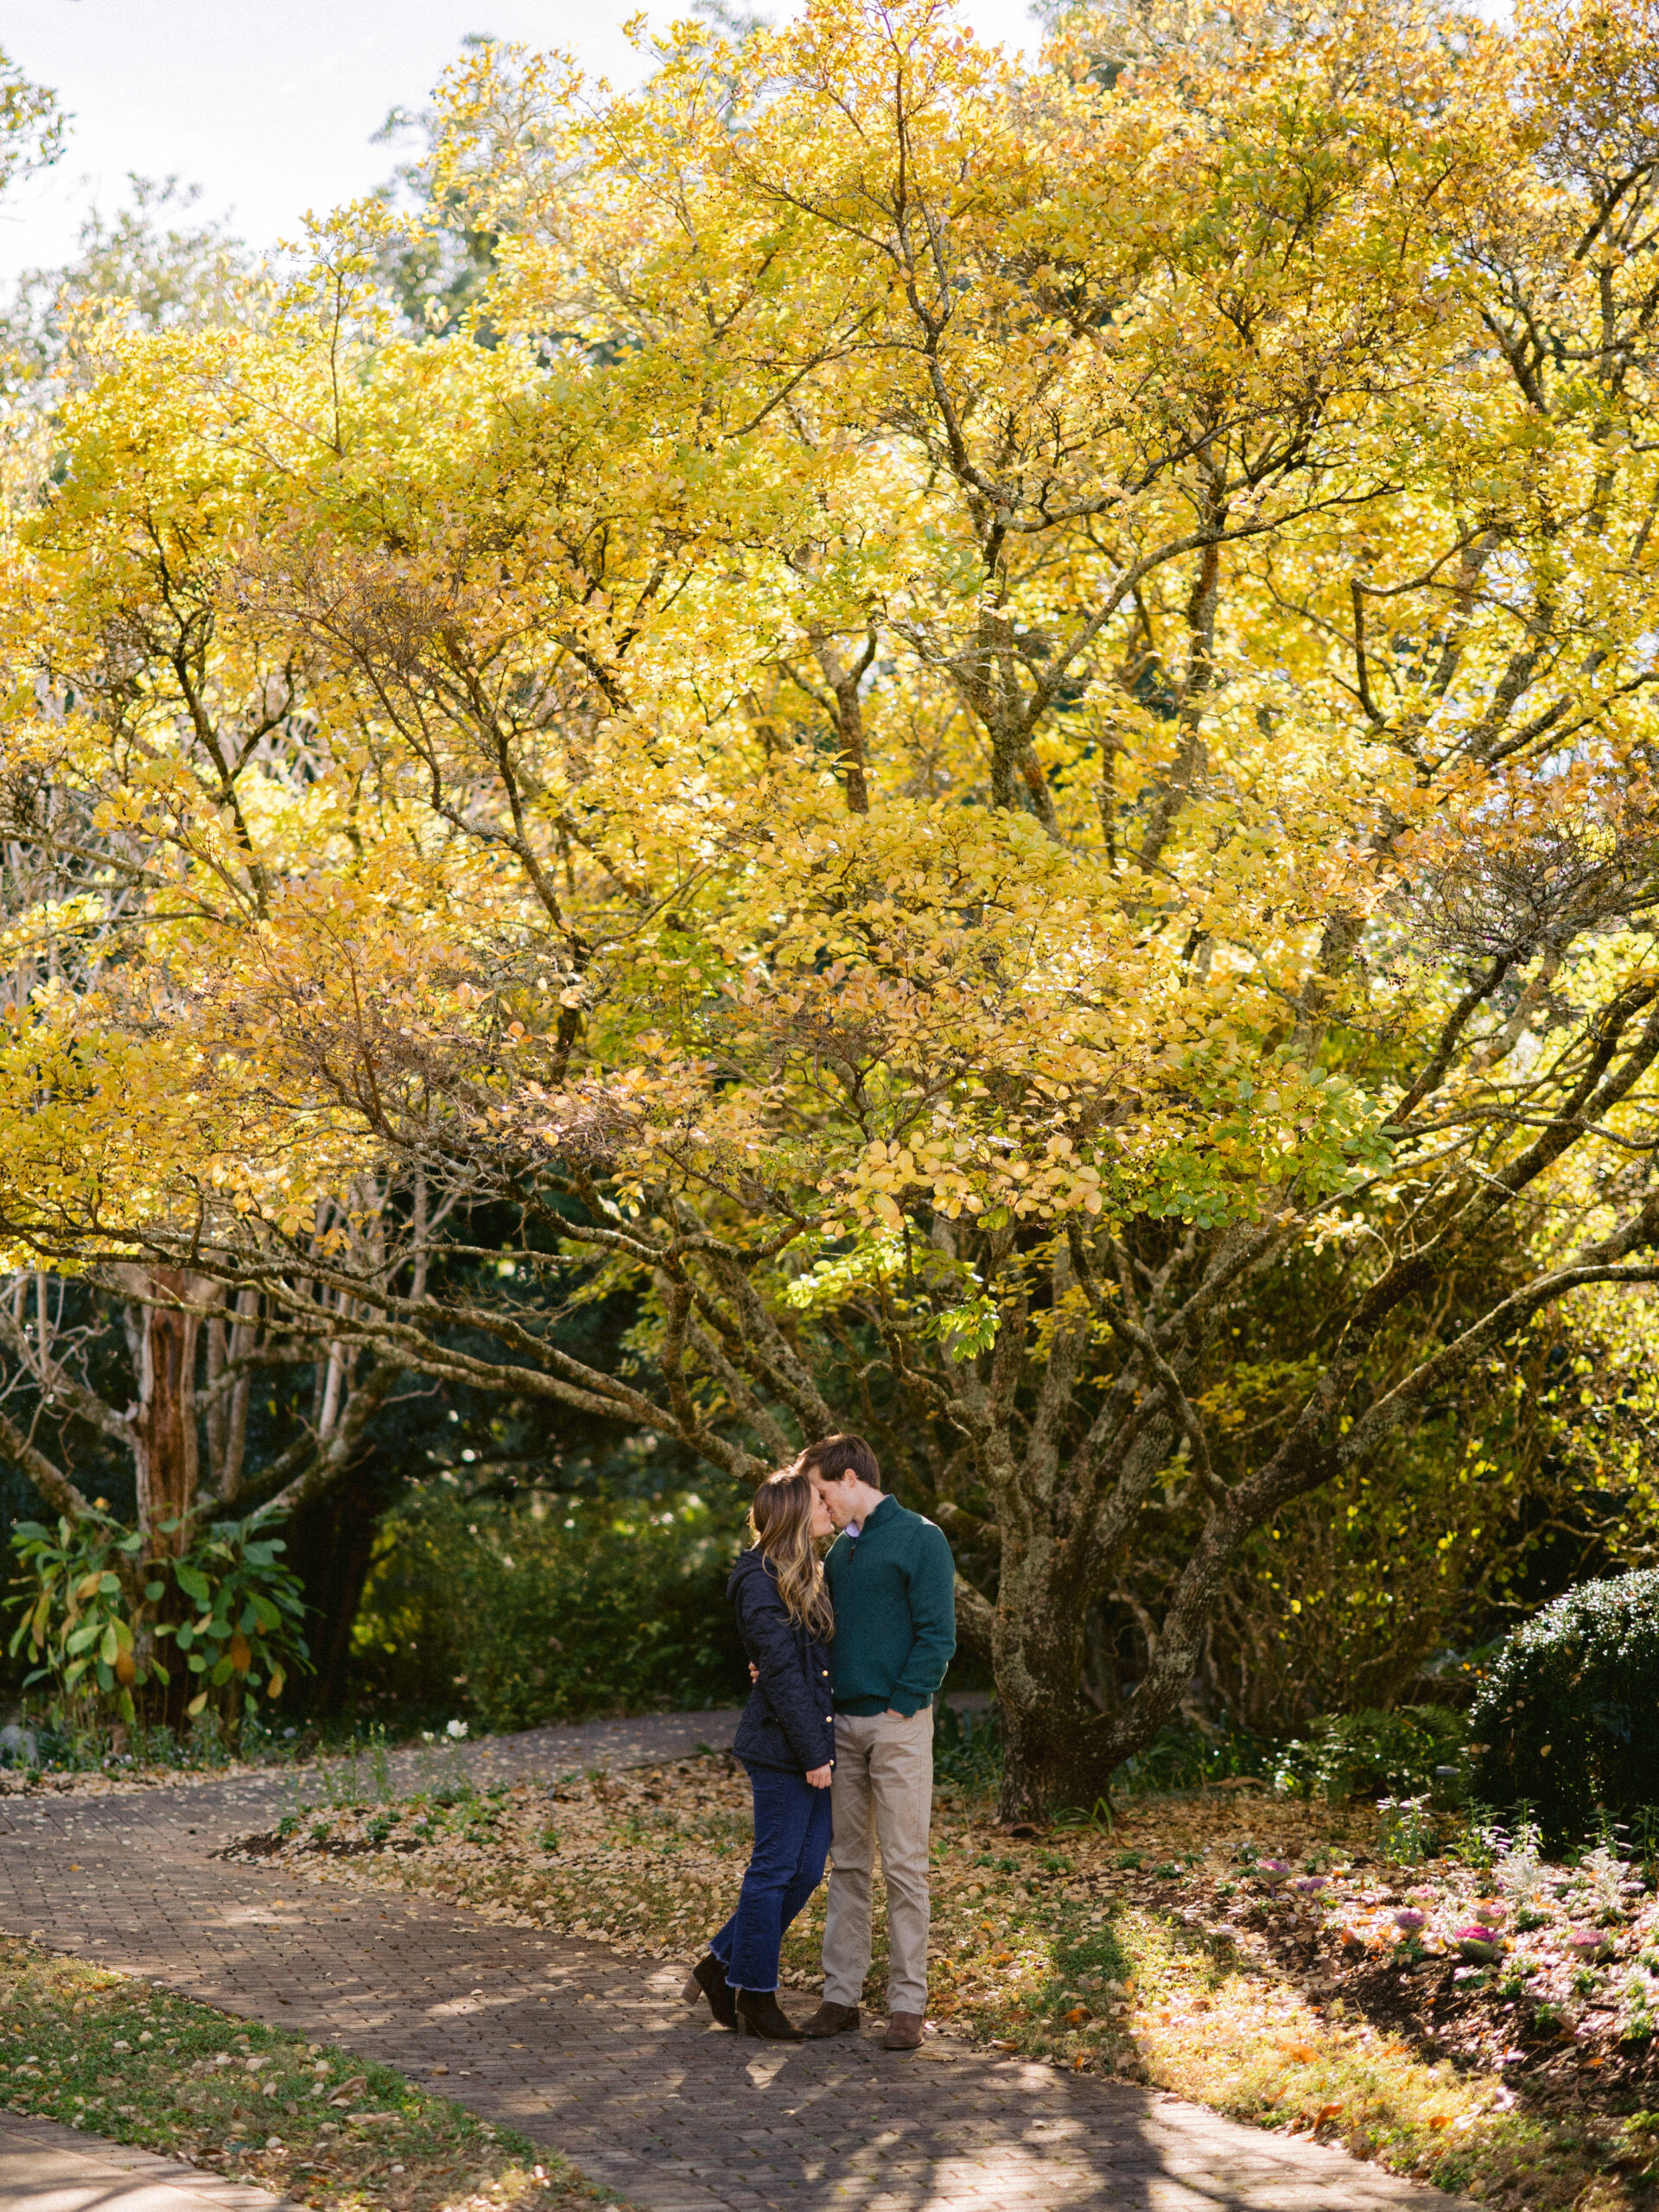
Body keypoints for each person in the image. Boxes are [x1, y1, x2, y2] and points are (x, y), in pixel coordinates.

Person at [795, 1433, 956, 2051]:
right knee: (849, 1865)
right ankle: (841, 1998)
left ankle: (907, 2004)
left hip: (898, 1726)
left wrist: (902, 1703)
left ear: (850, 1478)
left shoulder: (922, 1538)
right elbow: (822, 1632)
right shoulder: (841, 1552)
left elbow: (938, 1635)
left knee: (906, 1865)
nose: (820, 1505)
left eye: (821, 1491)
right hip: (841, 1726)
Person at [683, 1468, 836, 2042]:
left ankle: (721, 1963)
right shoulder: (757, 1579)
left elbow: (811, 1662)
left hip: (813, 1741)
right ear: (795, 1512)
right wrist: (814, 1753)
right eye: (818, 1500)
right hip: (781, 1747)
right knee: (774, 1870)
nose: (828, 1506)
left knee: (806, 1869)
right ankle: (757, 1996)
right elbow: (782, 1673)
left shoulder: (807, 1573)